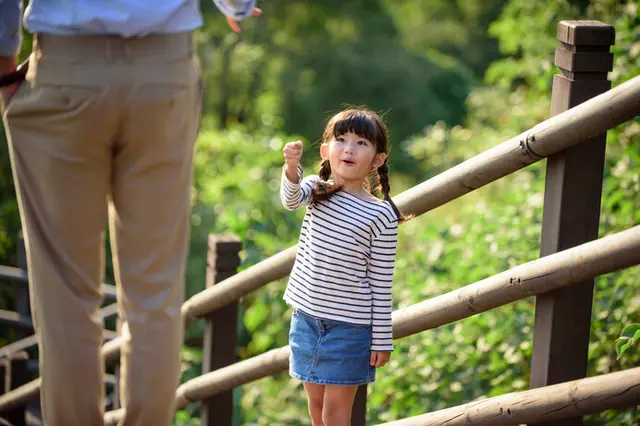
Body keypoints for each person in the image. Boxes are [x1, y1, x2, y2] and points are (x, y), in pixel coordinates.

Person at [0, 1, 260, 425]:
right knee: (154, 292)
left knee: (64, 293)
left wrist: (4, 67)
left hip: (65, 67)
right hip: (164, 70)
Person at [280, 107, 408, 426]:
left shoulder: (381, 215)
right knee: (316, 409)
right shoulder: (316, 190)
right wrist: (291, 167)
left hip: (349, 329)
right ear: (326, 150)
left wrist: (381, 339)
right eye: (341, 140)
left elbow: (380, 282)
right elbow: (291, 198)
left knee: (335, 415)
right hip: (306, 320)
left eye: (362, 143)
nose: (349, 148)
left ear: (377, 159)